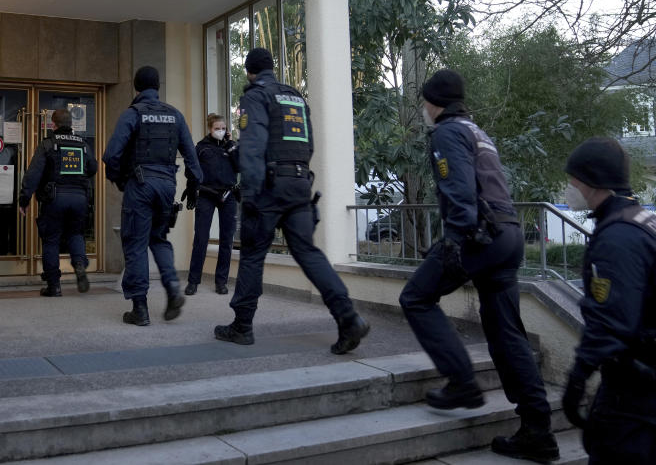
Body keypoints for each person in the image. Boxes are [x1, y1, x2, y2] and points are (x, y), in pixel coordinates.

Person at [399, 69, 558, 463]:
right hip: (508, 235)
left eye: (423, 103)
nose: (423, 109)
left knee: (417, 297)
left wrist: (455, 241)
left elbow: (459, 190)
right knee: (507, 335)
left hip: (478, 236)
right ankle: (538, 430)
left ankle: (462, 383)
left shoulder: (447, 132)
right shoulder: (476, 131)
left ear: (434, 103)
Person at [213, 48, 369, 354]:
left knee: (253, 254)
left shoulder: (256, 96)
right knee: (308, 253)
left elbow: (253, 146)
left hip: (269, 186)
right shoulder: (295, 97)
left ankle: (242, 326)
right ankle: (348, 317)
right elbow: (308, 144)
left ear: (249, 72)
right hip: (299, 185)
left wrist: (253, 193)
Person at [561, 137, 656, 464]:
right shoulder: (640, 219)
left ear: (592, 181)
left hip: (636, 391)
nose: (569, 186)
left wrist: (578, 377)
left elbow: (612, 321)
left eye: (573, 179)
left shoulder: (617, 238)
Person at [103, 66, 203, 326]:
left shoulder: (133, 113)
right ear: (157, 87)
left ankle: (140, 309)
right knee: (158, 239)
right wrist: (193, 186)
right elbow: (193, 159)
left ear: (136, 87)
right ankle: (172, 288)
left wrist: (120, 180)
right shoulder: (175, 115)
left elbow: (111, 154)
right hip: (167, 185)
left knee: (136, 243)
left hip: (141, 185)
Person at [19, 109, 98, 297]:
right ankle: (79, 264)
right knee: (76, 234)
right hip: (79, 198)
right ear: (71, 124)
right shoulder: (83, 145)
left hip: (54, 198)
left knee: (51, 240)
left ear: (53, 124)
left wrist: (24, 199)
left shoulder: (48, 144)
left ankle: (54, 286)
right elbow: (93, 168)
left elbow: (33, 174)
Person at [184, 113, 240, 296]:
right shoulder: (200, 148)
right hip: (207, 195)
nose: (220, 131)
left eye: (223, 128)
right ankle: (193, 282)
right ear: (210, 129)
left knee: (226, 240)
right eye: (217, 128)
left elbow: (240, 167)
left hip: (228, 195)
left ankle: (221, 282)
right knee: (201, 238)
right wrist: (192, 190)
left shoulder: (231, 146)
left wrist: (232, 147)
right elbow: (190, 171)